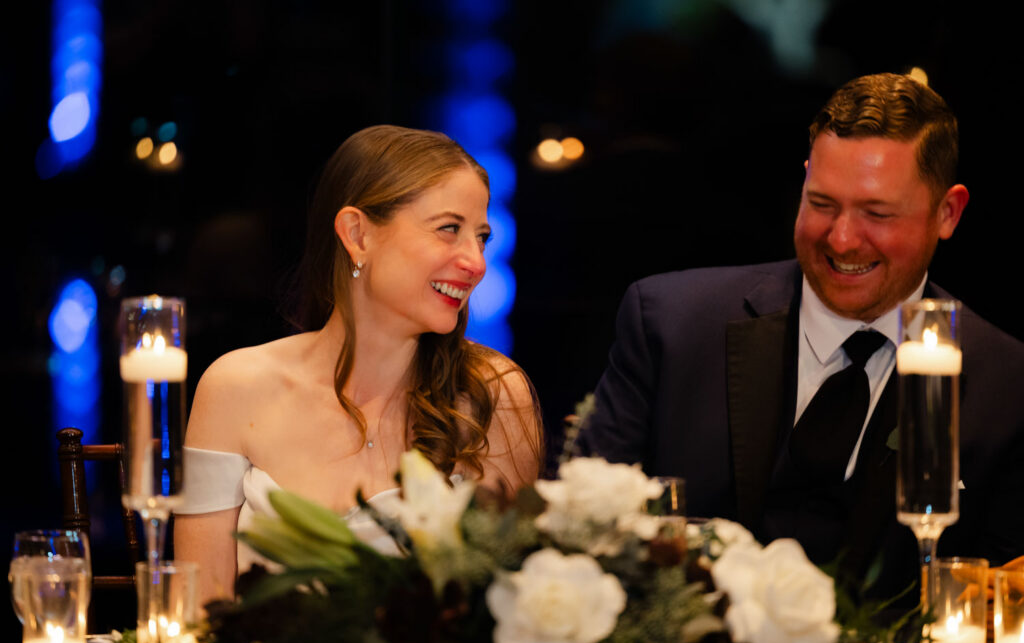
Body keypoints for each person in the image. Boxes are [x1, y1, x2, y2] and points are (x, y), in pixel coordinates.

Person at [578, 72, 1024, 598]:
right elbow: (582, 533)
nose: (842, 239)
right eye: (822, 203)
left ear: (948, 213)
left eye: (877, 213)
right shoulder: (670, 325)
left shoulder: (1006, 384)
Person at [174, 125, 543, 606]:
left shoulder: (491, 392)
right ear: (357, 234)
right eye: (449, 229)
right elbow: (198, 608)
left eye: (481, 238)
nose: (476, 263)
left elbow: (510, 608)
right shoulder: (234, 387)